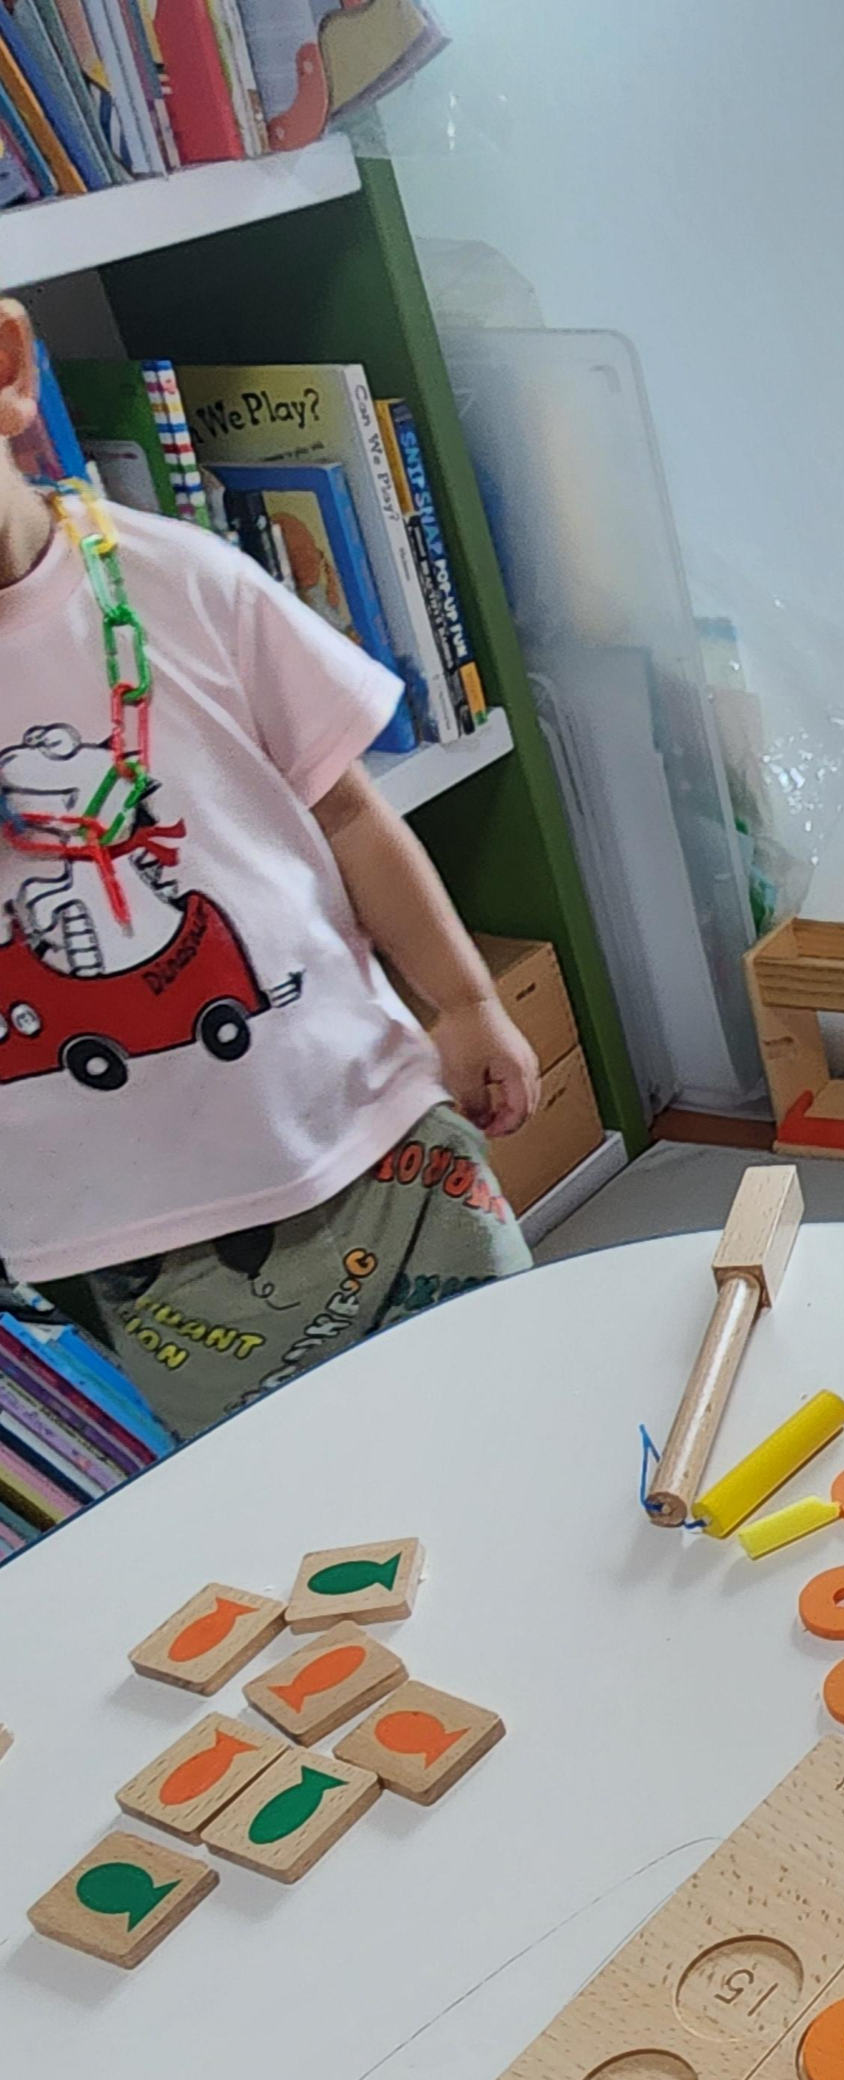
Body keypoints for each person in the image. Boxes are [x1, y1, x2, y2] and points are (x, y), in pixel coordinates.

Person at [0, 294, 543, 1442]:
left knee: (520, 1413)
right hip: (126, 1240)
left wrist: (465, 1000)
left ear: (5, 370)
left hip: (373, 1140)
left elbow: (348, 815)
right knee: (300, 1502)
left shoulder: (185, 584)